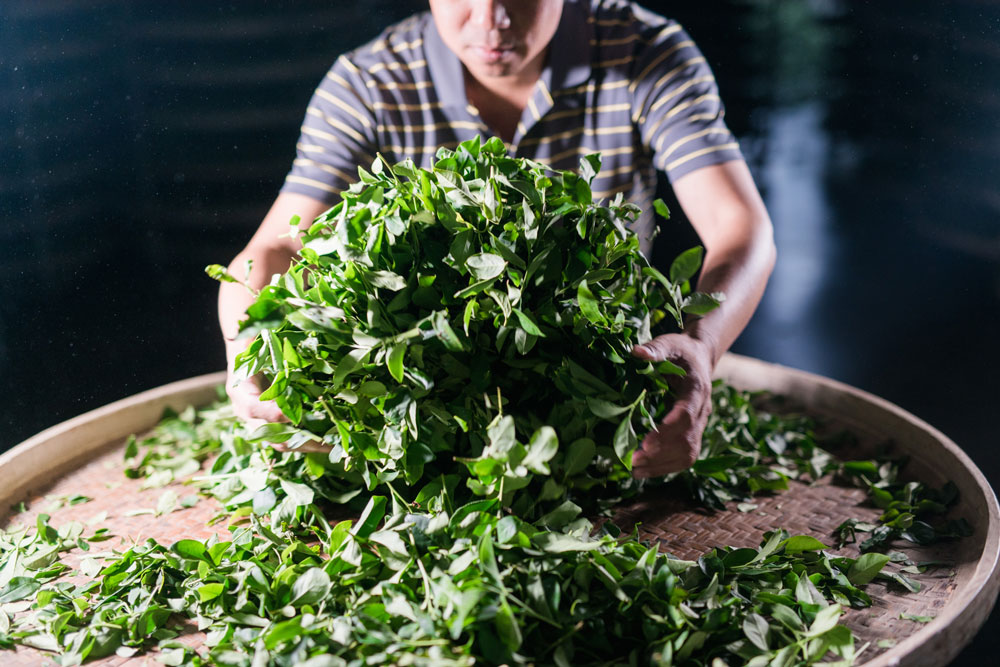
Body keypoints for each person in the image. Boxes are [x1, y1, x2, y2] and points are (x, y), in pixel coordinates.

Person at [218, 0, 776, 478]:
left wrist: (702, 344)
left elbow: (740, 228)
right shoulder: (368, 84)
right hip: (429, 405)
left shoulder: (642, 52)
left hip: (601, 391)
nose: (494, 20)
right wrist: (247, 349)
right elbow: (277, 249)